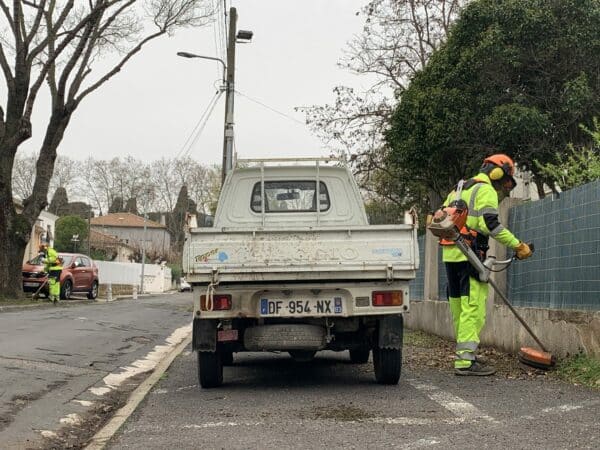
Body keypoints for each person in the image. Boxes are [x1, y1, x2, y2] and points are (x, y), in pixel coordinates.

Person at [441, 154, 533, 376]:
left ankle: (466, 354)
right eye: (504, 180)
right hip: (471, 254)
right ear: (497, 172)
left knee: (460, 308)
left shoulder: (458, 189)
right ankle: (465, 362)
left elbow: (442, 219)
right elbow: (491, 225)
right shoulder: (485, 190)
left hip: (450, 254)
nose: (503, 187)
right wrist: (518, 245)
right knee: (474, 308)